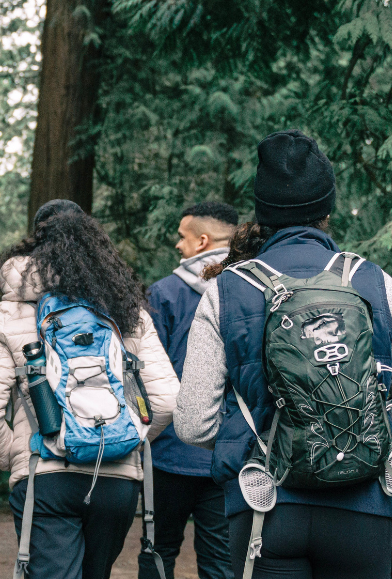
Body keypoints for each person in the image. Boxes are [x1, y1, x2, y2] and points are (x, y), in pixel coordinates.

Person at [174, 130, 392, 579]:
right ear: (327, 207)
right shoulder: (372, 281)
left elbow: (192, 423)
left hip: (266, 508)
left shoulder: (227, 291)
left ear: (262, 211)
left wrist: (268, 441)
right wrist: (357, 428)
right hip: (364, 506)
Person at [0, 200, 180, 579]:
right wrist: (125, 439)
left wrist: (16, 455)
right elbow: (165, 402)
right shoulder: (128, 313)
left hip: (46, 475)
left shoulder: (8, 314)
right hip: (117, 480)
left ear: (33, 243)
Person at [142, 202, 238, 579]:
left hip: (168, 451)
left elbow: (145, 375)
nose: (177, 245)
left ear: (201, 241)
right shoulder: (250, 290)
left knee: (158, 550)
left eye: (182, 237)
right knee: (220, 560)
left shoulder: (163, 294)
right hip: (227, 451)